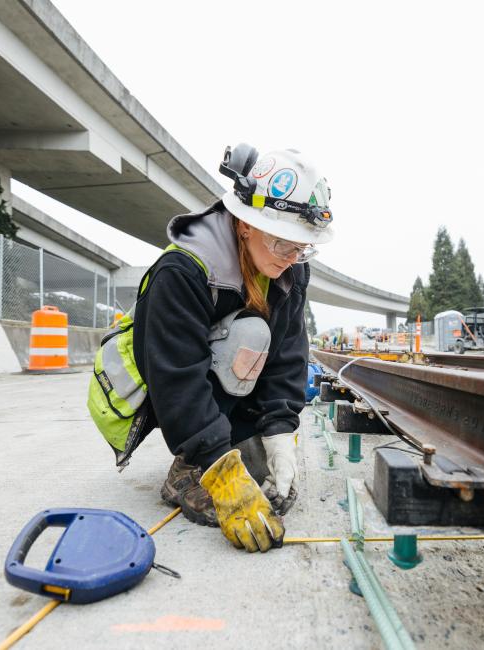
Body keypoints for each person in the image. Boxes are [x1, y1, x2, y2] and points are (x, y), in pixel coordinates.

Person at [87, 144, 333, 553]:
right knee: (249, 332)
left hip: (212, 382)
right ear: (245, 225)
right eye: (283, 244)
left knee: (260, 473)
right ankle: (191, 466)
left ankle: (232, 442)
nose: (292, 257)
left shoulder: (290, 269)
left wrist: (279, 434)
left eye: (302, 247)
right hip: (159, 386)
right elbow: (176, 374)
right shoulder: (182, 270)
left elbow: (289, 354)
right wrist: (219, 467)